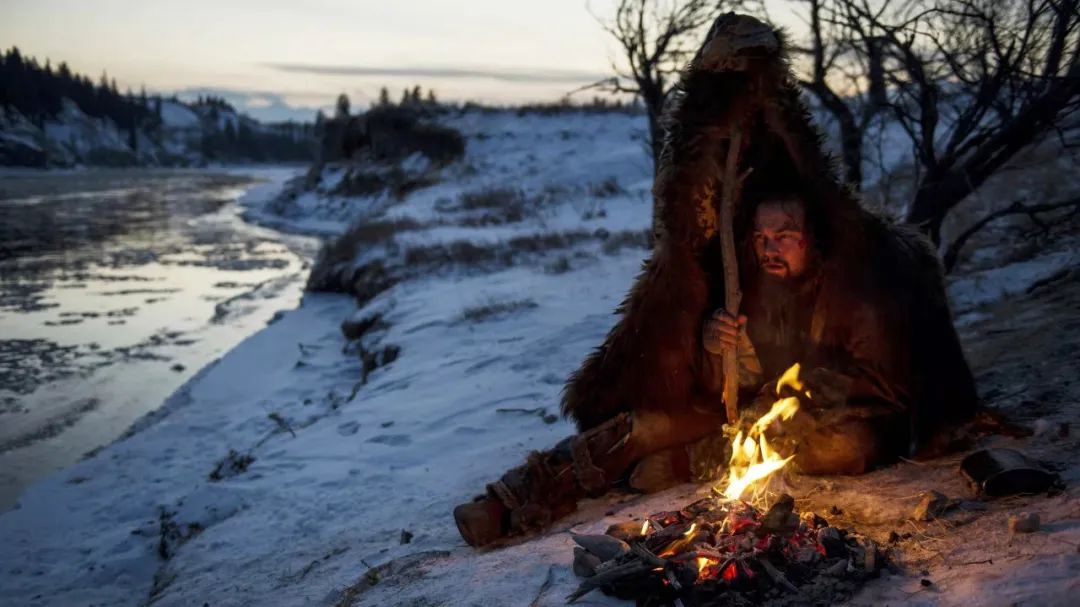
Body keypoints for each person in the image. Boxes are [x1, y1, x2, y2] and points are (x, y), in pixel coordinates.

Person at [453, 13, 982, 548]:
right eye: (761, 237)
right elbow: (722, 384)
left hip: (824, 424)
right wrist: (715, 347)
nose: (771, 247)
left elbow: (885, 384)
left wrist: (784, 399)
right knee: (638, 428)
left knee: (847, 447)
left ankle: (688, 462)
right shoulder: (750, 279)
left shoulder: (859, 283)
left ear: (813, 236)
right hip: (737, 420)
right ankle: (516, 498)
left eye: (786, 234)